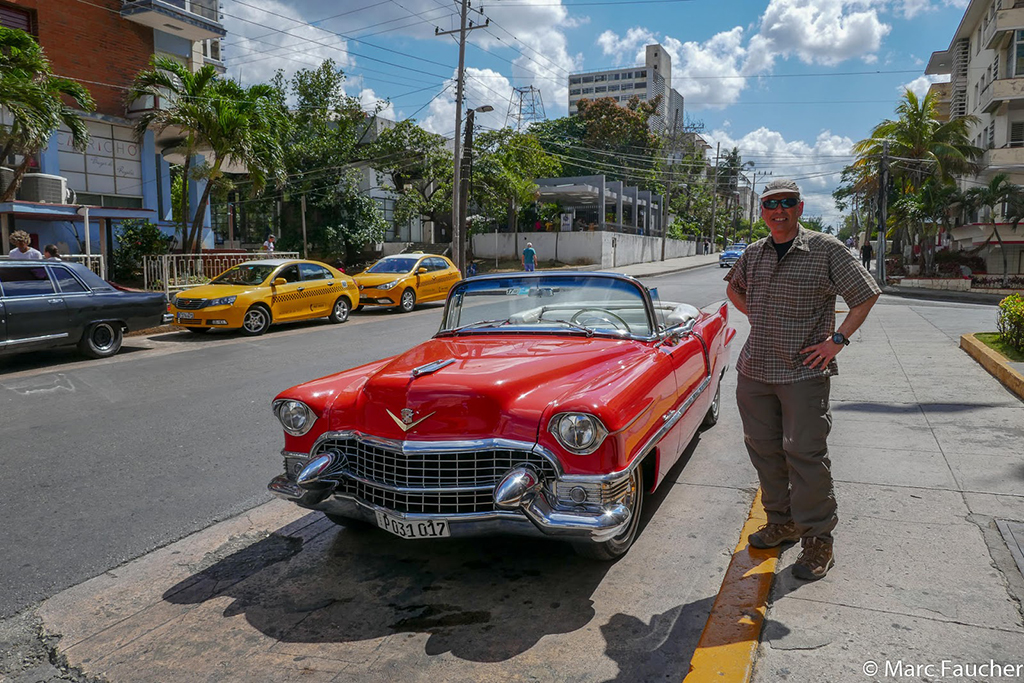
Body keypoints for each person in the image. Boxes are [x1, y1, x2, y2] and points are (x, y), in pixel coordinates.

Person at [724, 178, 881, 582]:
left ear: (800, 207)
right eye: (770, 204)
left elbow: (865, 294)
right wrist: (754, 314)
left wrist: (837, 341)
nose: (779, 211)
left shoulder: (826, 249)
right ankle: (782, 522)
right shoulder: (755, 252)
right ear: (762, 211)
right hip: (755, 369)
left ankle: (818, 540)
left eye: (787, 203)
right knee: (764, 449)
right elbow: (733, 289)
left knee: (805, 455)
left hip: (803, 372)